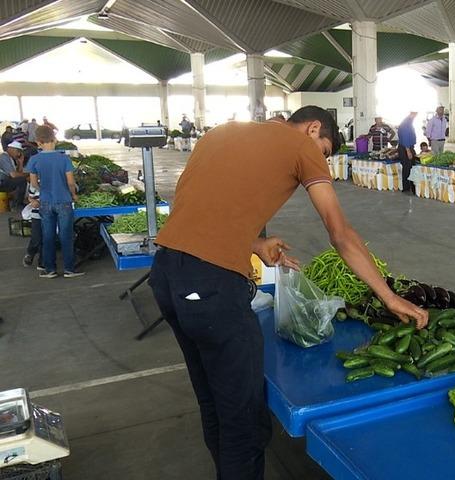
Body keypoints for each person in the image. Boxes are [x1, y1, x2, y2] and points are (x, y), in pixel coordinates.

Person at [148, 106, 428, 479]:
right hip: (212, 288)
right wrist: (388, 296)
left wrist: (255, 243)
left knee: (214, 403)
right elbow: (340, 233)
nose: (322, 160)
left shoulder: (221, 132)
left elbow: (194, 213)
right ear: (314, 129)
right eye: (325, 151)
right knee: (244, 423)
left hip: (166, 276)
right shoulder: (302, 147)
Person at [25, 126, 83, 279]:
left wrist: (43, 189)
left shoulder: (35, 159)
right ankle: (69, 269)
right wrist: (73, 194)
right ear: (55, 140)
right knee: (66, 236)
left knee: (48, 236)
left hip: (45, 202)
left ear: (38, 142)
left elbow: (33, 184)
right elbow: (71, 182)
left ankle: (50, 269)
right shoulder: (64, 158)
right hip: (64, 201)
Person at [0, 141, 30, 208]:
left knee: (22, 179)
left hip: (5, 181)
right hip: (2, 182)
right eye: (18, 152)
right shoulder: (4, 157)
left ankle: (19, 202)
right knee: (22, 180)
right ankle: (17, 205)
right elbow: (14, 175)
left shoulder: (10, 158)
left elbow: (18, 174)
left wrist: (20, 162)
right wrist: (28, 174)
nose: (18, 154)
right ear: (12, 149)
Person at [22, 183, 44, 271]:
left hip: (50, 214)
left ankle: (42, 262)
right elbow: (29, 197)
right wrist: (32, 201)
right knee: (37, 237)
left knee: (47, 238)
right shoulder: (34, 184)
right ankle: (30, 253)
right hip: (37, 215)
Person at [397, 111, 418, 195]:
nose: (415, 116)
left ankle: (409, 186)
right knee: (407, 168)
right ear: (411, 114)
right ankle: (407, 187)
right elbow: (405, 137)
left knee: (409, 167)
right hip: (405, 148)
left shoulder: (408, 122)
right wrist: (408, 151)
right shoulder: (406, 123)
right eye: (415, 114)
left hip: (407, 147)